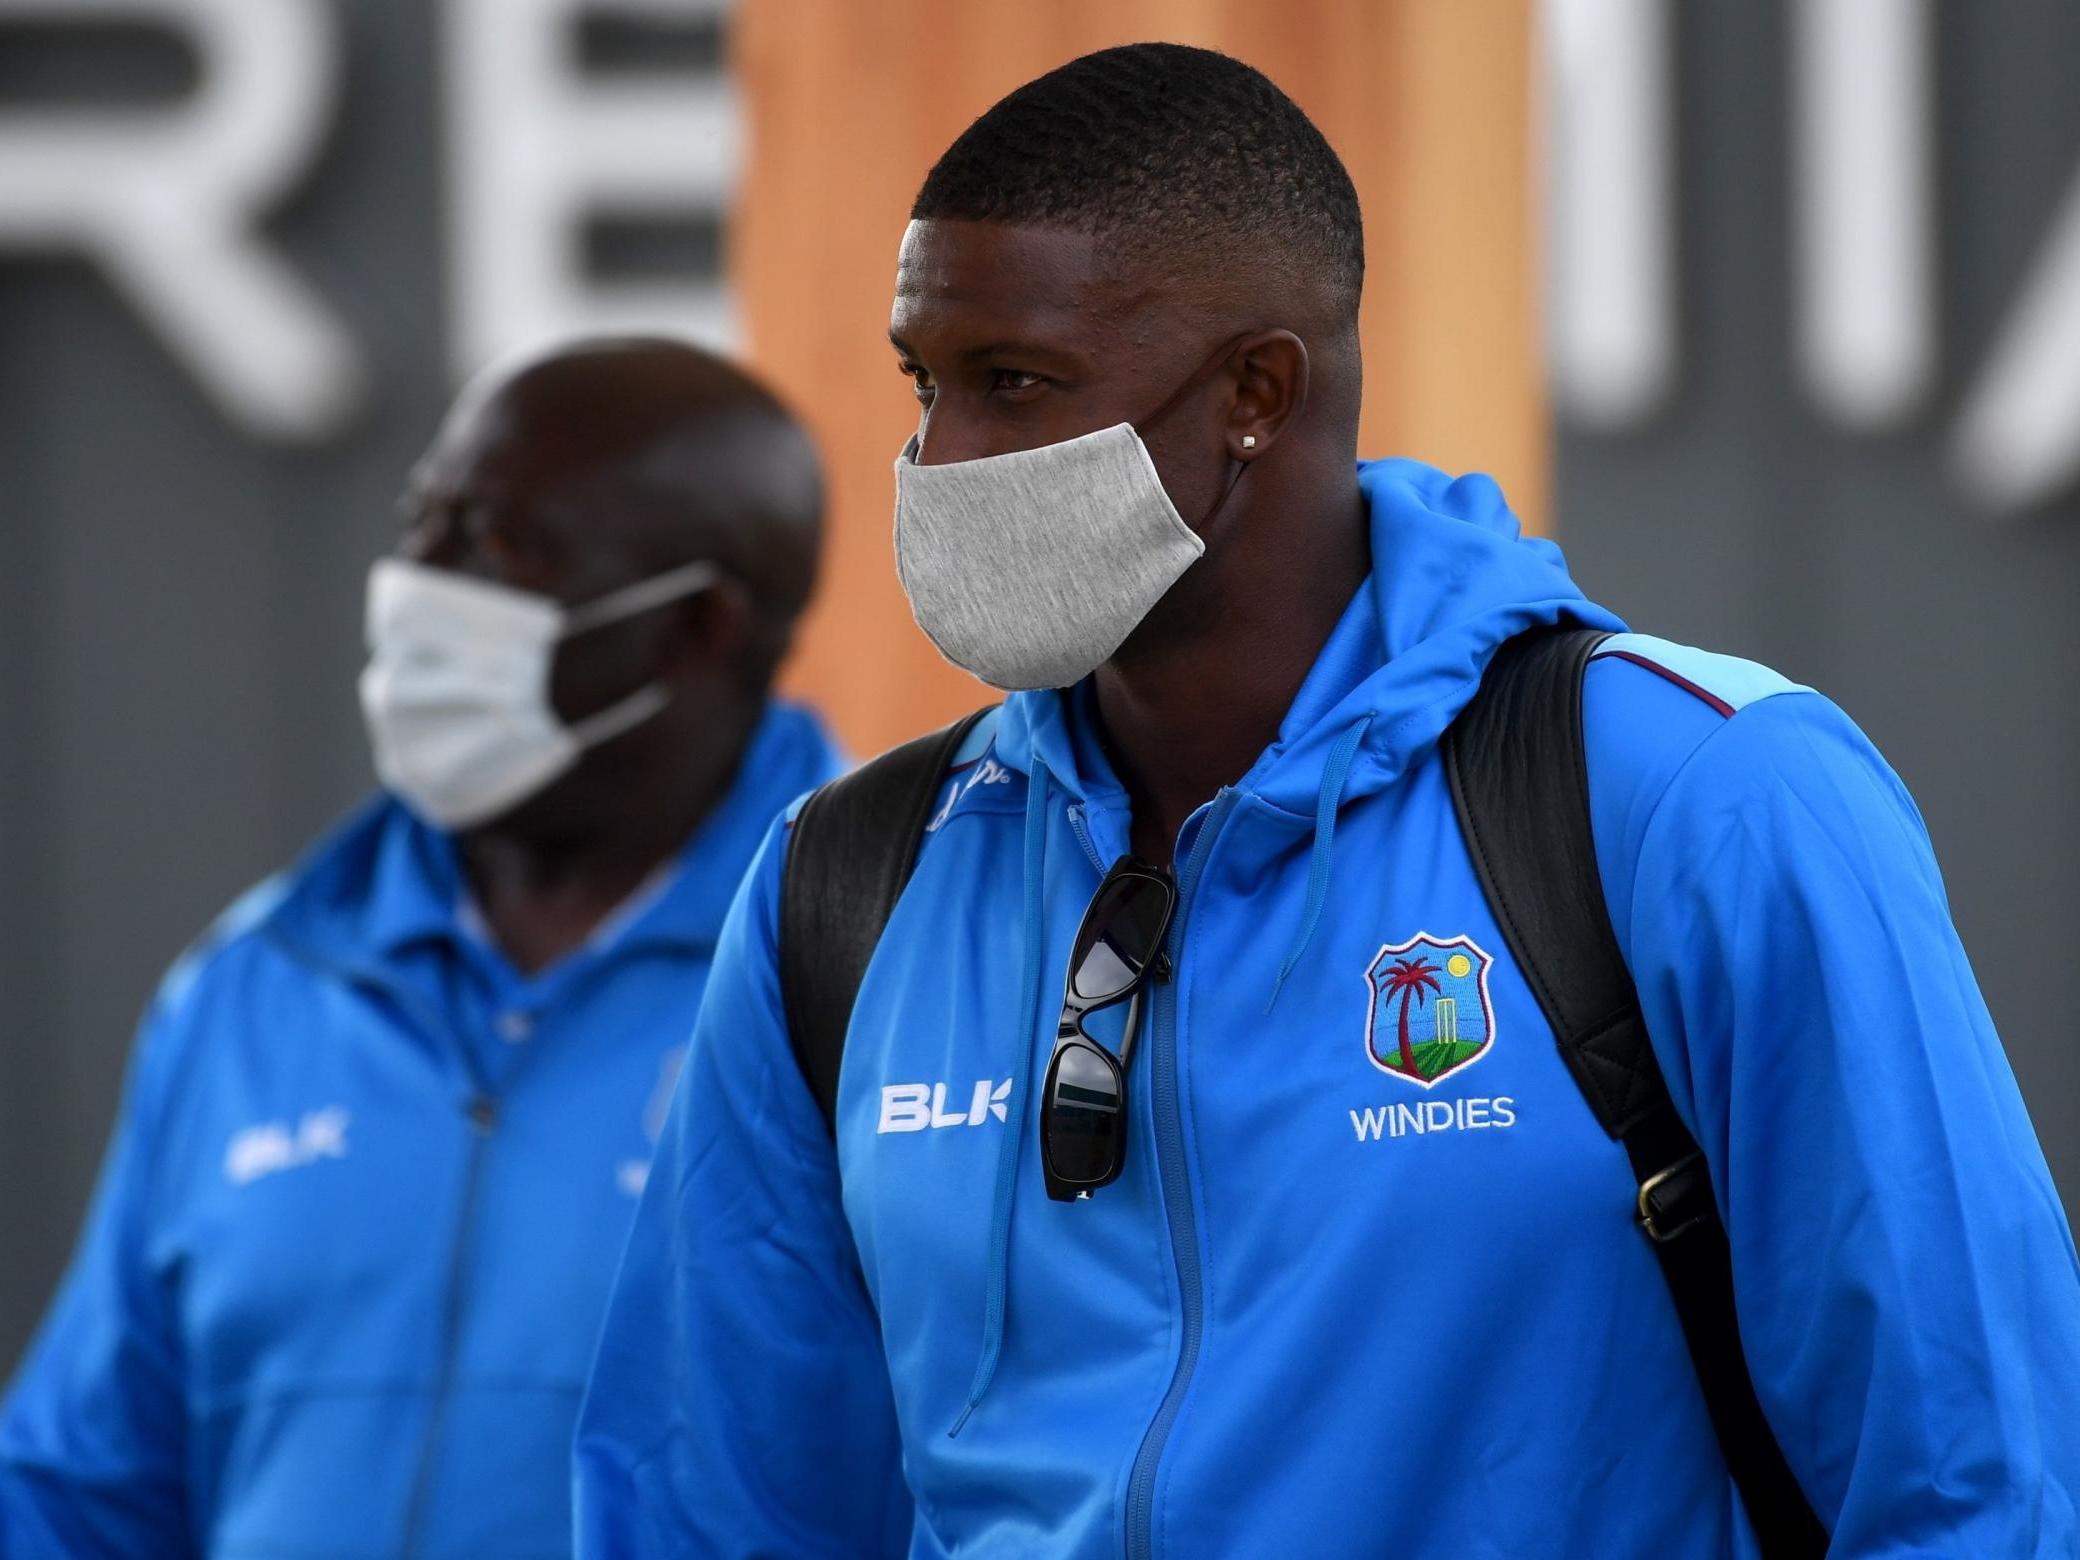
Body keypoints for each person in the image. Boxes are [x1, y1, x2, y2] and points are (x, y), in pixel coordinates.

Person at [573, 44, 2080, 1560]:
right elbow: (703, 1516)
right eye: (926, 384)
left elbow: (1975, 1486)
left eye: (1012, 386)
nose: (934, 460)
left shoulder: (1697, 795)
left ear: (1253, 393)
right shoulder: (843, 889)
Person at [0, 338, 842, 1557]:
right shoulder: (261, 984)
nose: (414, 584)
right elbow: (83, 1490)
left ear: (689, 633)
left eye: (498, 545)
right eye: (422, 523)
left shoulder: (878, 963)